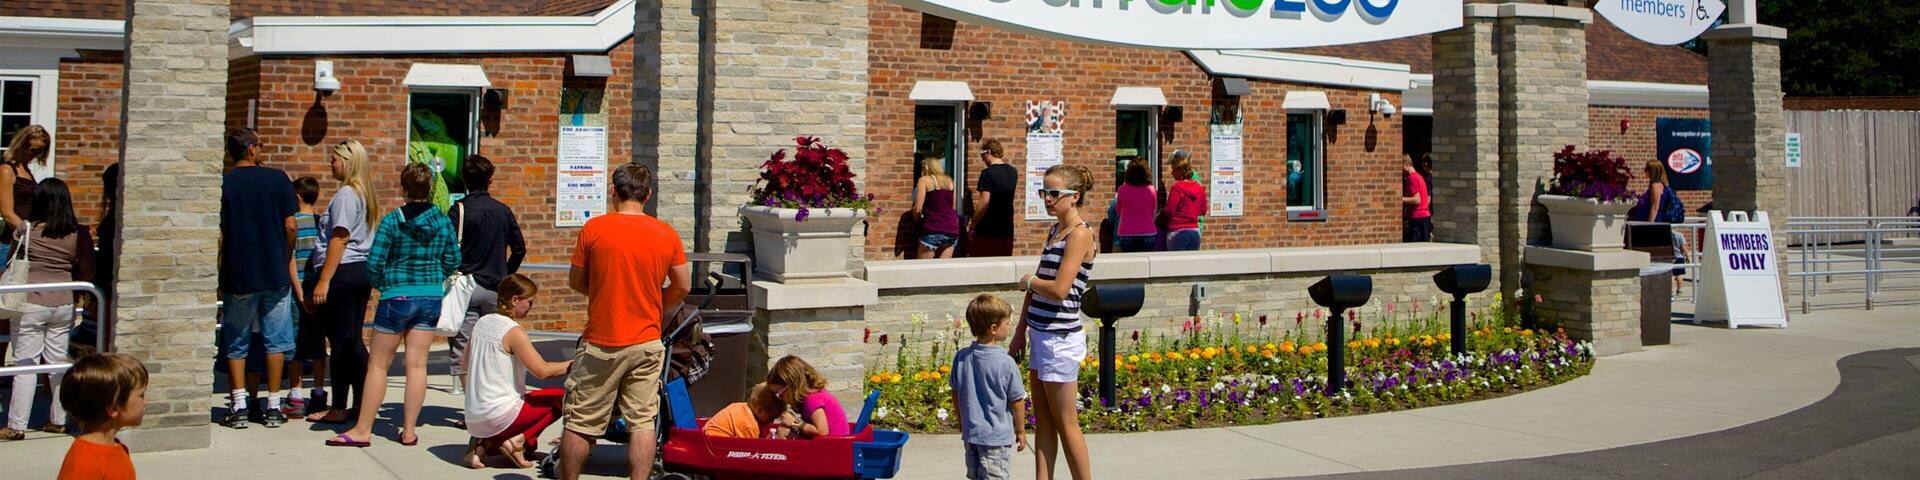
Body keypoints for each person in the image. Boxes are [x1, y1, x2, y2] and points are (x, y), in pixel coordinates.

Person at [558, 163, 692, 480]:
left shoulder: (594, 229)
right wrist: (656, 304)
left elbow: (576, 280)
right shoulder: (666, 233)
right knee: (643, 421)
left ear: (614, 192)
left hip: (601, 341)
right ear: (648, 195)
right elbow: (683, 285)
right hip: (646, 340)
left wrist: (605, 292)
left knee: (581, 420)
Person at [327, 162, 460, 447]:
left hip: (396, 295)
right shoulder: (443, 222)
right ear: (429, 189)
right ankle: (409, 430)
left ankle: (363, 429)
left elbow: (374, 262)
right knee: (417, 365)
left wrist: (383, 283)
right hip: (429, 296)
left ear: (404, 188)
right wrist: (437, 275)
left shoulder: (392, 221)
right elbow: (453, 259)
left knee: (378, 365)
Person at [1009, 164, 1097, 480]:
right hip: (1042, 335)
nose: (1048, 199)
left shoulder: (1080, 234)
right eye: (1044, 192)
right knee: (1043, 422)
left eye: (1054, 193)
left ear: (1074, 196)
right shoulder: (1054, 232)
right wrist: (1020, 331)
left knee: (1067, 422)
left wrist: (1029, 281)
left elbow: (1059, 289)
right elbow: (1041, 285)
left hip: (1061, 338)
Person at [217, 128, 299, 429]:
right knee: (275, 341)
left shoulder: (224, 183)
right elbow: (291, 226)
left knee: (236, 340)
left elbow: (220, 233)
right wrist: (284, 254)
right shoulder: (277, 180)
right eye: (260, 145)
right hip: (274, 271)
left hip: (238, 271)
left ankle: (238, 404)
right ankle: (274, 405)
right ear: (251, 149)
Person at [2, 178, 95, 441]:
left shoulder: (26, 230)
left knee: (26, 364)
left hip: (30, 302)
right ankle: (59, 419)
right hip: (64, 302)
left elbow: (11, 260)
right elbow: (87, 270)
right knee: (57, 364)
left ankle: (16, 425)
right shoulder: (79, 233)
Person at [463, 274, 571, 469]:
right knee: (562, 397)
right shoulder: (513, 331)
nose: (531, 307)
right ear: (514, 300)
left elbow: (464, 364)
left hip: (473, 417)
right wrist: (575, 364)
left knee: (533, 446)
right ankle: (516, 441)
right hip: (499, 413)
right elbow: (543, 371)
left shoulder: (482, 322)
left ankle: (480, 446)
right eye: (529, 302)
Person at [306, 140, 377, 424]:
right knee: (352, 341)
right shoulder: (363, 194)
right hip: (359, 270)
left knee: (340, 342)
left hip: (344, 272)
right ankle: (360, 402)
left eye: (334, 159)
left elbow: (340, 237)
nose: (330, 164)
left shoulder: (347, 194)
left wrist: (324, 280)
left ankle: (338, 406)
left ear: (348, 162)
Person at [448, 154, 527, 398]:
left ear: (464, 179)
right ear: (490, 180)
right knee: (497, 345)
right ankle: (493, 399)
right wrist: (506, 273)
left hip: (466, 286)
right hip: (496, 286)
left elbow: (447, 248)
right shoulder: (502, 211)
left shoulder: (458, 210)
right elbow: (520, 248)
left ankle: (471, 405)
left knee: (464, 348)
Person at [950, 294, 1029, 480]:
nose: (1009, 327)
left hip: (971, 435)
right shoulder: (1006, 363)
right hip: (996, 438)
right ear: (994, 329)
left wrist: (961, 420)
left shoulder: (961, 358)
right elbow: (1017, 400)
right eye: (1007, 323)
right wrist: (1021, 430)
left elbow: (955, 392)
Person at [55, 353, 147, 480]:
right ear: (113, 408)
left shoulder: (116, 448)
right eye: (141, 395)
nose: (146, 401)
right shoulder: (83, 463)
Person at [284, 176, 326, 415]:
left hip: (297, 290)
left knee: (297, 345)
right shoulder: (321, 223)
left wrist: (299, 294)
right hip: (319, 291)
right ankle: (319, 393)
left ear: (297, 198)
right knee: (319, 345)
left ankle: (296, 396)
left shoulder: (293, 223)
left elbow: (291, 259)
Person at [1632, 159, 1687, 295]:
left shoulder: (1656, 186)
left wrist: (1649, 225)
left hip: (1655, 226)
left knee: (1653, 259)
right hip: (1656, 224)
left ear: (1652, 171)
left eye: (1647, 169)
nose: (1644, 172)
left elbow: (1655, 207)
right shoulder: (1660, 185)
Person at [1, 124, 48, 271]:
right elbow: (8, 214)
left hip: (23, 241)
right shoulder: (7, 170)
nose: (33, 154)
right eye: (32, 149)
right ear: (22, 144)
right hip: (11, 243)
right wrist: (31, 237)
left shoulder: (27, 172)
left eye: (39, 151)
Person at [766, 355, 848, 438]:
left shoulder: (812, 400)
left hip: (833, 445)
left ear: (792, 386)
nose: (780, 398)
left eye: (779, 393)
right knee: (783, 428)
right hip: (832, 442)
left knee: (783, 431)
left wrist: (794, 422)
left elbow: (822, 432)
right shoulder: (812, 396)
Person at [968, 139, 1018, 257]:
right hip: (1006, 227)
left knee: (984, 264)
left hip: (988, 228)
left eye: (982, 155)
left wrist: (972, 226)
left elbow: (984, 201)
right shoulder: (1012, 171)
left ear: (988, 152)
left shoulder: (987, 173)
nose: (982, 159)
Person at [701, 383, 792, 439]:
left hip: (706, 436)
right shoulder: (749, 426)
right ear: (760, 410)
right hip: (713, 444)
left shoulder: (741, 406)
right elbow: (749, 450)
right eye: (770, 418)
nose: (771, 422)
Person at [913, 152, 961, 259]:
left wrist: (916, 219)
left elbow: (918, 208)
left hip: (934, 227)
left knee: (924, 269)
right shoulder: (949, 181)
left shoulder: (924, 180)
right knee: (943, 270)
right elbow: (953, 207)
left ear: (925, 168)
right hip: (952, 229)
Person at [1163, 152, 1207, 251]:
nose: (1172, 173)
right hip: (1194, 232)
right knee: (1191, 265)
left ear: (1179, 171)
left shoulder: (1177, 187)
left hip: (1177, 232)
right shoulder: (1199, 187)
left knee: (1175, 264)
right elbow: (1203, 210)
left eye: (1173, 169)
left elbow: (1169, 211)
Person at [1113, 160, 1157, 253]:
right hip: (1148, 231)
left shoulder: (1122, 189)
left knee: (1130, 265)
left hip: (1126, 232)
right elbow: (1153, 210)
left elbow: (1118, 210)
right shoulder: (1151, 189)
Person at [1401, 153, 1433, 242]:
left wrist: (1400, 199)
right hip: (1424, 217)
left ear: (1406, 165)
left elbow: (1417, 199)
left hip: (1417, 218)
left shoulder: (1412, 178)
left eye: (1401, 167)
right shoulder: (1419, 177)